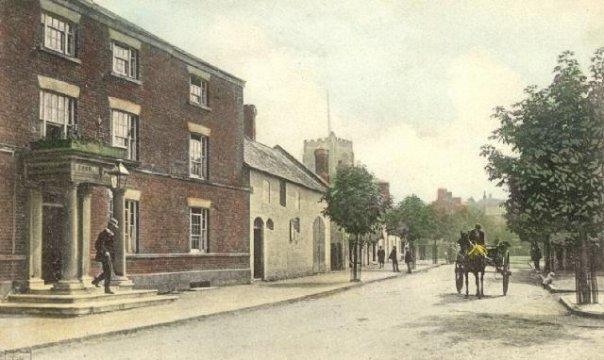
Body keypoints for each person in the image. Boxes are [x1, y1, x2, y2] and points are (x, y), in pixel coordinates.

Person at [92, 218, 118, 294]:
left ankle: (96, 281)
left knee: (107, 272)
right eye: (113, 226)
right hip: (105, 256)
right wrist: (105, 252)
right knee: (109, 272)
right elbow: (98, 244)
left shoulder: (111, 233)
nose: (114, 228)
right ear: (110, 225)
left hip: (110, 257)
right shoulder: (103, 233)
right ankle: (107, 289)